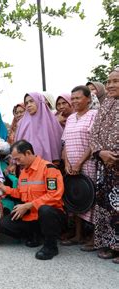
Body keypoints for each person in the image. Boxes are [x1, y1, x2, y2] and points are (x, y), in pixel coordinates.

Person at [0, 140, 66, 260]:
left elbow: (55, 196)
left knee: (45, 210)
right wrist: (4, 188)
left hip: (52, 216)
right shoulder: (24, 172)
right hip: (32, 217)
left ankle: (51, 247)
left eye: (18, 159)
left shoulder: (48, 168)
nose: (16, 163)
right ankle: (34, 236)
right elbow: (20, 193)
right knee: (3, 224)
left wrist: (29, 205)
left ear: (28, 153)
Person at [61, 86, 97, 248]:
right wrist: (68, 162)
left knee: (92, 197)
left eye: (78, 98)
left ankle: (95, 237)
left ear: (88, 99)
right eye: (72, 98)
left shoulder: (94, 115)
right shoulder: (70, 118)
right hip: (71, 165)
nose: (74, 101)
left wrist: (79, 162)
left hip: (88, 163)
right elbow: (66, 143)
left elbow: (94, 143)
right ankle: (78, 235)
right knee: (75, 198)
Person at [90, 68, 118, 263]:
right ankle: (110, 244)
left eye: (115, 81)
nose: (111, 85)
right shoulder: (105, 104)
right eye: (108, 82)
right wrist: (101, 152)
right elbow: (93, 134)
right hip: (105, 166)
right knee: (107, 206)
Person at [15, 92, 63, 163]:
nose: (29, 105)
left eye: (31, 101)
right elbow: (17, 145)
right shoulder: (22, 123)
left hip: (48, 166)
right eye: (26, 103)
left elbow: (57, 144)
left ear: (39, 101)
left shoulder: (51, 121)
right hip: (26, 166)